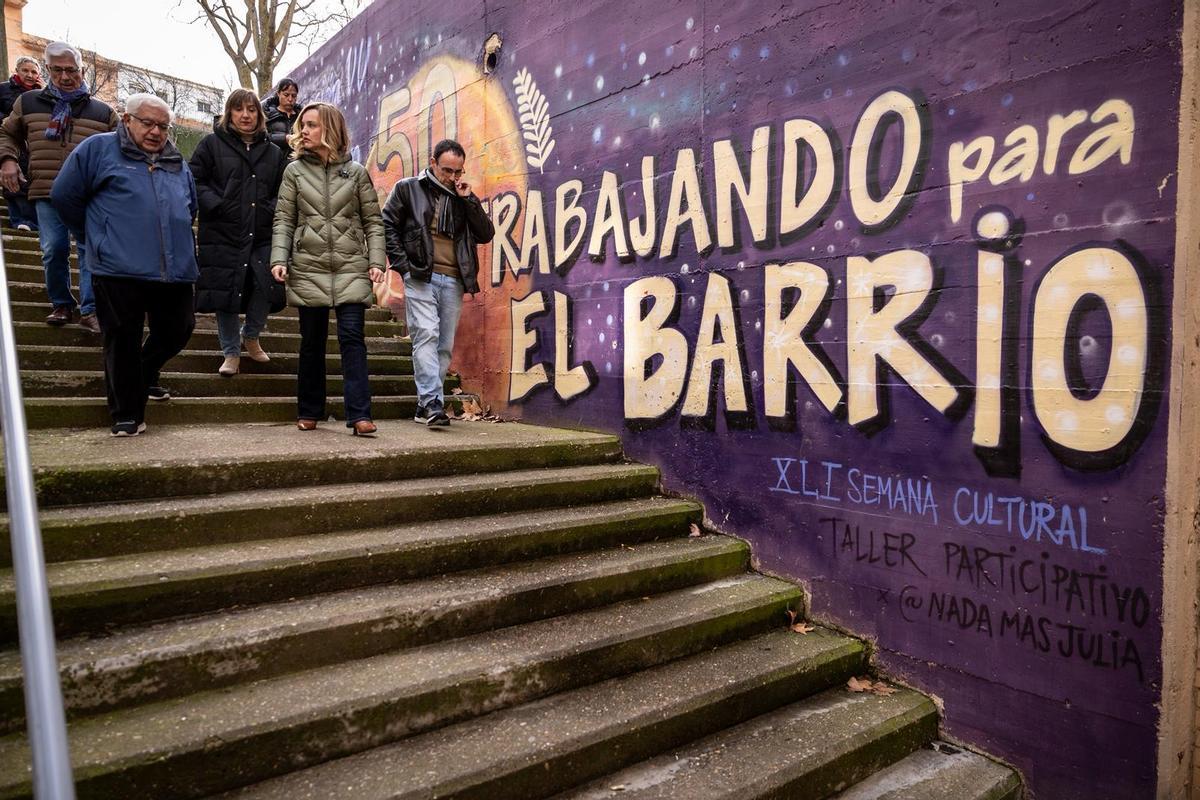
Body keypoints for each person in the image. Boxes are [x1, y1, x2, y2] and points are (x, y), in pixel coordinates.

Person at [51, 93, 198, 437]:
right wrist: (96, 236)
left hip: (172, 268)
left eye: (163, 126)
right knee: (122, 339)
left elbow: (188, 207)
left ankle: (142, 376)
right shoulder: (98, 149)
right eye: (148, 123)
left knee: (179, 329)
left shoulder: (177, 161)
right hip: (117, 267)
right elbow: (64, 196)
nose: (156, 132)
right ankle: (126, 413)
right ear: (127, 119)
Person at [270, 101, 385, 436]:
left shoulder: (357, 172)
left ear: (330, 129)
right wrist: (279, 258)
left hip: (350, 265)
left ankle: (360, 415)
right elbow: (284, 219)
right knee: (312, 341)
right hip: (308, 265)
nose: (303, 131)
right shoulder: (293, 172)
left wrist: (376, 261)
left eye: (311, 125)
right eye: (302, 125)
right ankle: (309, 411)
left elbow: (374, 223)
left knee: (352, 338)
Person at [0, 41, 117, 332]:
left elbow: (120, 146)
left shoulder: (102, 112)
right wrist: (7, 161)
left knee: (91, 251)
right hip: (46, 187)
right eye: (58, 70)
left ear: (81, 70)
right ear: (48, 69)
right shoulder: (28, 102)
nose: (65, 77)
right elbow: (7, 134)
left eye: (71, 70)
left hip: (89, 194)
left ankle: (90, 309)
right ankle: (62, 303)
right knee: (53, 248)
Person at [382, 139, 495, 426]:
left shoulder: (461, 197)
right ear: (432, 163)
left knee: (444, 344)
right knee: (426, 335)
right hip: (420, 275)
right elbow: (387, 225)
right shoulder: (408, 188)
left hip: (454, 279)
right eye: (447, 170)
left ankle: (424, 408)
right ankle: (433, 402)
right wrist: (404, 267)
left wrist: (468, 200)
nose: (453, 177)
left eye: (458, 172)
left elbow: (485, 233)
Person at [190, 88, 287, 376]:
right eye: (239, 109)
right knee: (226, 293)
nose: (245, 115)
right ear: (229, 112)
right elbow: (194, 180)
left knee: (264, 285)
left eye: (252, 109)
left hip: (261, 233)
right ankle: (231, 352)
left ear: (260, 114)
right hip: (222, 232)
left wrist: (267, 210)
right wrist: (216, 205)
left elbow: (282, 190)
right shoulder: (210, 144)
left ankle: (252, 335)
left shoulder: (273, 151)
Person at [0, 56, 43, 231]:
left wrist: (43, 93)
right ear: (16, 71)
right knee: (13, 179)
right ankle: (20, 219)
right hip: (9, 139)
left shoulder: (43, 94)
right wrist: (9, 121)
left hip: (33, 143)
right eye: (25, 70)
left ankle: (33, 221)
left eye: (34, 72)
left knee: (32, 180)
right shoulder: (3, 89)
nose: (30, 75)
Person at [263, 78, 298, 154]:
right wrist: (284, 138)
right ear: (278, 93)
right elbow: (260, 137)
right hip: (273, 160)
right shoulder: (267, 114)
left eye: (294, 96)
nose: (290, 99)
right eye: (286, 95)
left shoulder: (301, 116)